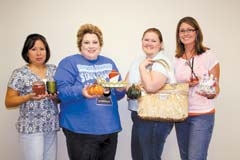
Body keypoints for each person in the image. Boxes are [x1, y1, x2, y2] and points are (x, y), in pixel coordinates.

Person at [54, 24, 125, 160]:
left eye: (95, 42)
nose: (91, 46)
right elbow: (61, 91)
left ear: (100, 44)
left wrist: (121, 90)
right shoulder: (69, 63)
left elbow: (117, 94)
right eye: (86, 42)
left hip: (110, 129)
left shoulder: (109, 63)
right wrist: (82, 91)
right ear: (80, 44)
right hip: (80, 131)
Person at [5, 33, 59, 160]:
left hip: (51, 126)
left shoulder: (54, 70)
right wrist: (28, 97)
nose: (39, 53)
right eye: (33, 49)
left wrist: (55, 97)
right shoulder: (20, 73)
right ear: (27, 52)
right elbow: (9, 102)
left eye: (42, 49)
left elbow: (59, 98)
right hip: (31, 128)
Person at [174, 16, 220, 160]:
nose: (186, 33)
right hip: (181, 115)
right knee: (185, 157)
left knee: (196, 157)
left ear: (197, 32)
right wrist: (186, 85)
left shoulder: (208, 55)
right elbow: (173, 87)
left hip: (202, 115)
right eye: (182, 31)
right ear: (178, 35)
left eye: (189, 30)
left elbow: (216, 88)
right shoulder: (176, 58)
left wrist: (210, 92)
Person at [125, 28, 175, 160]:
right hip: (138, 114)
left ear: (161, 44)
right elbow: (126, 84)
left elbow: (151, 87)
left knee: (150, 157)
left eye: (154, 40)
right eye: (146, 39)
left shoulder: (161, 62)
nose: (149, 43)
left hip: (155, 118)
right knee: (138, 156)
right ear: (141, 41)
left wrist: (142, 69)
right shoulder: (138, 60)